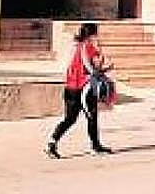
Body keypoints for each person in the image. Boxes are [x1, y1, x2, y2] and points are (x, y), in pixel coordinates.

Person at [46, 22, 113, 158]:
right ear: (93, 34)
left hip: (70, 87)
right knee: (92, 116)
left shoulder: (76, 46)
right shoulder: (88, 47)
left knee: (70, 118)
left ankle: (52, 142)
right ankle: (95, 146)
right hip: (83, 88)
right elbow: (92, 68)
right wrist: (106, 68)